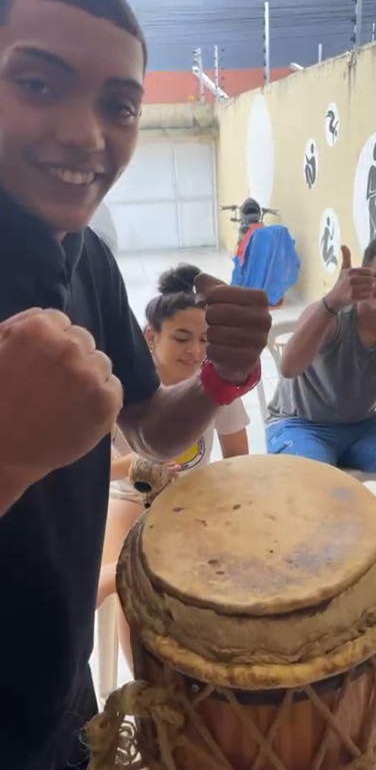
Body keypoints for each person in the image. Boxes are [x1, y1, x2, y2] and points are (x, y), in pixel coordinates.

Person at [0, 0, 271, 769]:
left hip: (56, 684)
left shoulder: (86, 255)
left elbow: (146, 421)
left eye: (118, 105)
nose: (86, 135)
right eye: (39, 84)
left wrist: (219, 378)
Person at [98, 263, 250, 666]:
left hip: (196, 495)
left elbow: (238, 460)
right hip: (129, 497)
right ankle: (144, 684)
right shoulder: (118, 388)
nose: (195, 351)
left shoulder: (213, 384)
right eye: (182, 338)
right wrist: (135, 463)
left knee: (227, 577)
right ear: (151, 336)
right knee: (132, 583)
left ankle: (215, 674)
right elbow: (90, 472)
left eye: (204, 340)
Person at [266, 238, 376, 488]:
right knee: (312, 488)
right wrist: (332, 303)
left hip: (362, 426)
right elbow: (289, 368)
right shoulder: (332, 316)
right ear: (363, 274)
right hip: (300, 424)